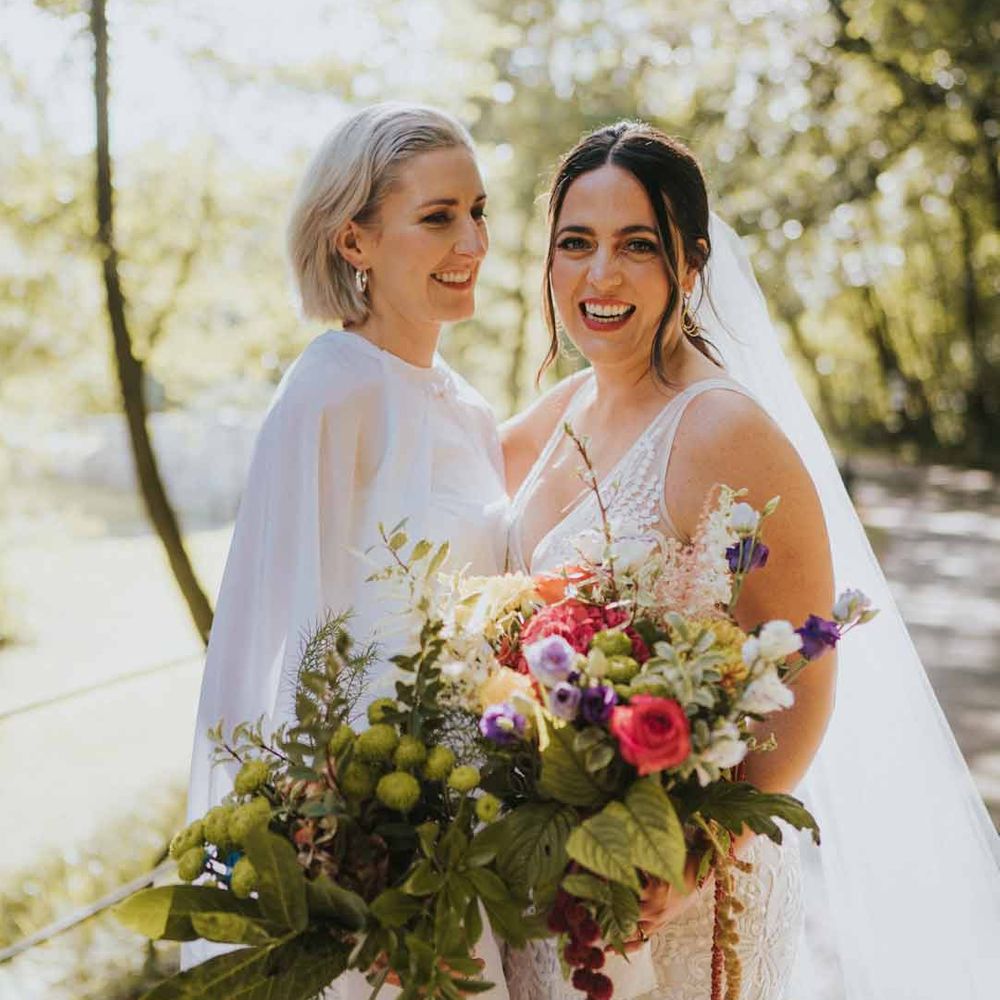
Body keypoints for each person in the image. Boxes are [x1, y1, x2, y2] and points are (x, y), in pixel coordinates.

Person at [502, 121, 1000, 999]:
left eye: (637, 246)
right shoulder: (566, 406)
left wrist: (690, 858)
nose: (599, 276)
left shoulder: (724, 430)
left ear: (690, 266)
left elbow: (803, 675)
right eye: (574, 244)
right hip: (561, 881)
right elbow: (430, 474)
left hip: (684, 907)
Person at [182, 102, 510, 999]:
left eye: (478, 211)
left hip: (473, 828)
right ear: (354, 242)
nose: (471, 242)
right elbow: (276, 642)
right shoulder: (329, 392)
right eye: (437, 218)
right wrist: (316, 858)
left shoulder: (472, 410)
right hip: (363, 849)